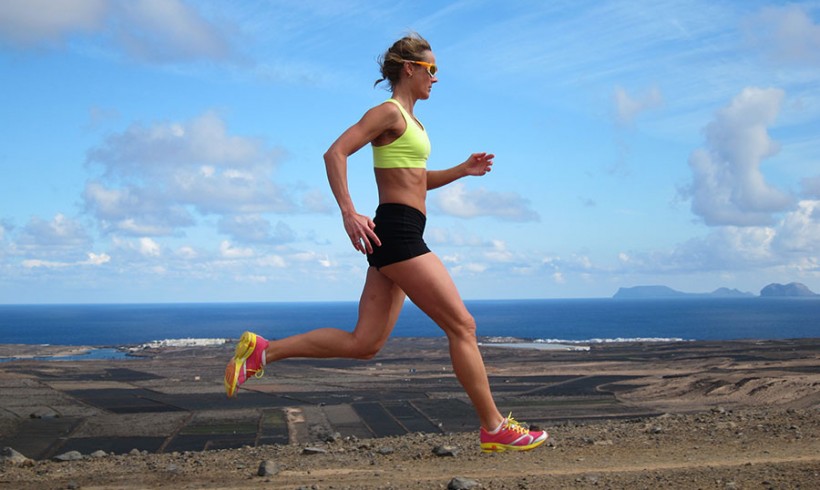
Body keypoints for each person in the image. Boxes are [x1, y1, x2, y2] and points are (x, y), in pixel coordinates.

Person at [225, 33, 547, 453]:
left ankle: (263, 353)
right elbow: (335, 153)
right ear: (409, 69)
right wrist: (348, 211)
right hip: (396, 234)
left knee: (365, 343)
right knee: (462, 325)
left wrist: (461, 171)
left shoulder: (412, 122)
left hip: (398, 232)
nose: (436, 78)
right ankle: (493, 426)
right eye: (431, 70)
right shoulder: (388, 113)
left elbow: (415, 181)